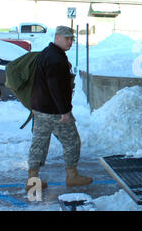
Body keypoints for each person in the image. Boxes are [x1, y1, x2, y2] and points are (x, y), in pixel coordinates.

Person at [25, 26, 92, 192]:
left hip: (40, 109)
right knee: (72, 142)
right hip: (55, 111)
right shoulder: (55, 59)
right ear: (57, 37)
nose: (70, 41)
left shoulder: (48, 53)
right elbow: (55, 87)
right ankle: (72, 176)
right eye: (67, 38)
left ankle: (33, 179)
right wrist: (65, 111)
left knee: (39, 143)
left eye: (72, 38)